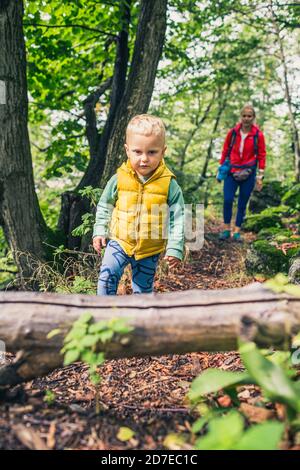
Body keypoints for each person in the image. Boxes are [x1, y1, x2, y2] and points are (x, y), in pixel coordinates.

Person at [92, 114, 185, 295]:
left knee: (143, 291)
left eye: (152, 152)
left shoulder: (169, 183)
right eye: (137, 152)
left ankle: (139, 321)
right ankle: (103, 315)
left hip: (150, 248)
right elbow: (105, 205)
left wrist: (175, 247)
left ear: (163, 152)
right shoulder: (119, 178)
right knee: (106, 279)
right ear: (127, 150)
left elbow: (179, 218)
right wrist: (100, 230)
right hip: (119, 241)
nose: (144, 159)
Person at [218, 105, 266, 242]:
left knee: (242, 203)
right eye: (244, 115)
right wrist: (221, 169)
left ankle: (237, 231)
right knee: (227, 200)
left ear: (253, 117)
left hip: (249, 173)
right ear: (241, 117)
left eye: (249, 116)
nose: (246, 118)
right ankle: (227, 229)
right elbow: (225, 150)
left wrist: (260, 176)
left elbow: (262, 155)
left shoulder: (258, 135)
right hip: (231, 172)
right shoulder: (233, 133)